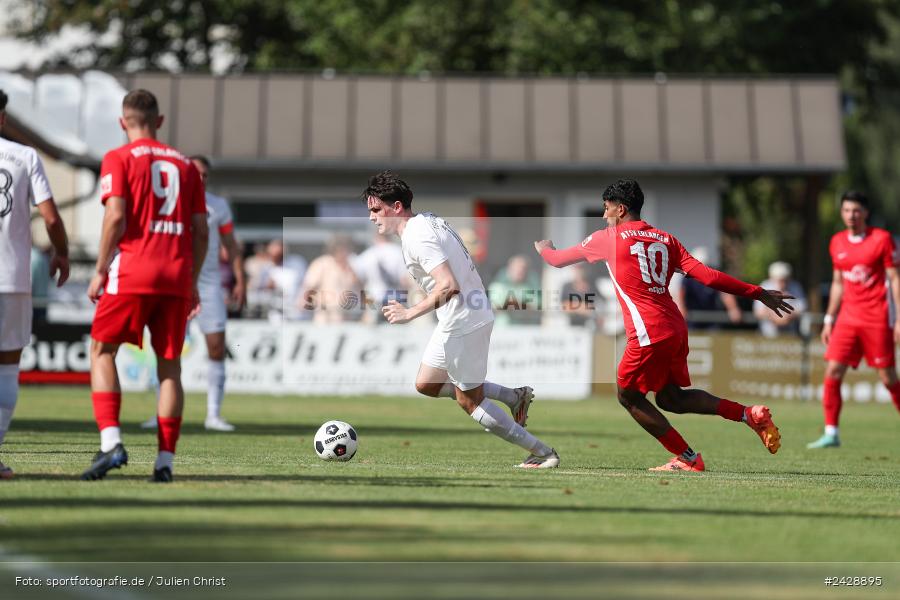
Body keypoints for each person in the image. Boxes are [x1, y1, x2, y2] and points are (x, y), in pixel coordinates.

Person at [535, 179, 793, 471]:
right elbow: (708, 276)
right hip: (675, 327)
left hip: (648, 333)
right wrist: (757, 292)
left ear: (620, 209)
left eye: (606, 209)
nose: (603, 215)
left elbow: (556, 261)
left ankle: (688, 458)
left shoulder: (607, 238)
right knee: (672, 399)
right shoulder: (666, 239)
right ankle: (748, 414)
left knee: (628, 396)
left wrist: (544, 248)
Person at [364, 171, 558, 468]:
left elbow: (448, 284)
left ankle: (543, 453)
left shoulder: (417, 235)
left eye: (376, 209)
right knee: (427, 383)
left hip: (464, 319)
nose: (372, 217)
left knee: (470, 401)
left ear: (398, 206)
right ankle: (513, 396)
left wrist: (409, 313)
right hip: (459, 316)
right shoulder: (426, 221)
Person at [83, 89, 208, 483]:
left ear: (124, 123)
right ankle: (165, 463)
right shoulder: (186, 166)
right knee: (170, 367)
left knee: (102, 350)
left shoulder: (117, 158)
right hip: (175, 274)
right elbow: (200, 230)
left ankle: (111, 443)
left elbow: (115, 216)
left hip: (133, 270)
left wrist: (101, 268)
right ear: (160, 120)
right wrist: (192, 279)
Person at [141, 155, 245, 432]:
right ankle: (160, 412)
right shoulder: (168, 199)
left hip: (208, 283)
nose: (200, 179)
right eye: (195, 173)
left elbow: (231, 244)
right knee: (167, 348)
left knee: (215, 346)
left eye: (205, 175)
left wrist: (240, 279)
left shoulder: (218, 205)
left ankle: (213, 415)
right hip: (173, 282)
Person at [0, 89, 70, 480]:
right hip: (11, 278)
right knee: (7, 369)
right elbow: (52, 218)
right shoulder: (24, 156)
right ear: (2, 118)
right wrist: (61, 252)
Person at [808, 191, 900, 449]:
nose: (851, 215)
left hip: (878, 318)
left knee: (888, 378)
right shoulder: (837, 241)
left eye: (856, 210)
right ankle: (831, 432)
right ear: (842, 212)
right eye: (847, 210)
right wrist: (829, 319)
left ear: (865, 213)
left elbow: (895, 279)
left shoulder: (882, 240)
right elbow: (838, 283)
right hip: (848, 319)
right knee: (833, 372)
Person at [671, 247, 743, 329]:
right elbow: (681, 292)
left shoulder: (713, 275)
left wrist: (733, 309)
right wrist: (681, 308)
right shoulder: (687, 278)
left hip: (711, 319)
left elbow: (724, 292)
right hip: (692, 319)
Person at [299, 234, 364, 323]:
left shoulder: (353, 266)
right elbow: (309, 286)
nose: (345, 253)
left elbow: (362, 289)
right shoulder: (322, 263)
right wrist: (302, 305)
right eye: (342, 249)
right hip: (325, 318)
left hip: (348, 319)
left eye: (347, 249)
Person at [351, 232, 408, 322]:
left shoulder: (369, 253)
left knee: (370, 327)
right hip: (396, 297)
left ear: (376, 237)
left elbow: (355, 277)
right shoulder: (399, 252)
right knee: (396, 328)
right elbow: (404, 280)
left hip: (372, 297)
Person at [753, 261, 807, 338]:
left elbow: (802, 307)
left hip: (791, 335)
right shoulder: (765, 286)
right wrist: (773, 317)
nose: (783, 283)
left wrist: (789, 317)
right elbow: (758, 311)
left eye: (785, 280)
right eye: (780, 280)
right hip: (768, 335)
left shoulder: (796, 287)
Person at [561, 263, 602, 327]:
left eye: (580, 268)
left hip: (589, 324)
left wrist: (576, 306)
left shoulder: (592, 286)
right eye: (576, 268)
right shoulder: (567, 286)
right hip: (570, 323)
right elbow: (564, 306)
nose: (579, 271)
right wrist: (581, 307)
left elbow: (597, 305)